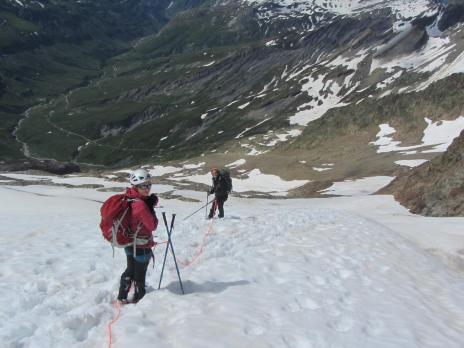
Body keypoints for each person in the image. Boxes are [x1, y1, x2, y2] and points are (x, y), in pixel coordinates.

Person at [117, 168, 158, 304]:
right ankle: (139, 300)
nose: (147, 188)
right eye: (143, 186)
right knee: (140, 275)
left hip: (129, 242)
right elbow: (152, 225)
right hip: (142, 245)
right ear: (136, 186)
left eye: (149, 185)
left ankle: (122, 296)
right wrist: (150, 208)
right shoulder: (141, 205)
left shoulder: (128, 197)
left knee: (130, 269)